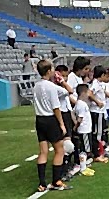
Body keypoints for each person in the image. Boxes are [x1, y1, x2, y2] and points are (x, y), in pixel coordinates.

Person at [33, 59, 72, 191]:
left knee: (43, 152)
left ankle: (42, 183)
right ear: (49, 71)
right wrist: (61, 124)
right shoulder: (51, 87)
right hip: (50, 119)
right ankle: (56, 181)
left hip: (39, 119)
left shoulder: (36, 85)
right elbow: (57, 106)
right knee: (59, 150)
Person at [89, 65, 109, 162]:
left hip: (100, 111)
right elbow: (89, 93)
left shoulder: (99, 83)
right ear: (101, 75)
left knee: (99, 132)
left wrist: (105, 93)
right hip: (97, 111)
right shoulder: (95, 84)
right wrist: (98, 102)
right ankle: (97, 154)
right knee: (97, 133)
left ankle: (100, 151)